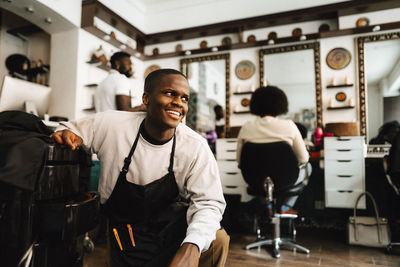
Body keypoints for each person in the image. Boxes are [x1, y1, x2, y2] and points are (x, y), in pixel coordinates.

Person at [52, 69, 229, 267]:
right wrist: (66, 134)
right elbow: (69, 128)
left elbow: (210, 203)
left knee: (218, 240)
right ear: (146, 98)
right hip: (124, 228)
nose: (179, 102)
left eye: (184, 98)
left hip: (171, 227)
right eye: (170, 93)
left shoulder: (195, 146)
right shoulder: (112, 124)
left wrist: (192, 245)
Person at [236, 86, 310, 214]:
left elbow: (239, 161)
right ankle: (286, 206)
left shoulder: (246, 127)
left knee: (261, 176)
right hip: (286, 180)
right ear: (281, 104)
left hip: (256, 181)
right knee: (309, 168)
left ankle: (268, 207)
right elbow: (304, 158)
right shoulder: (289, 125)